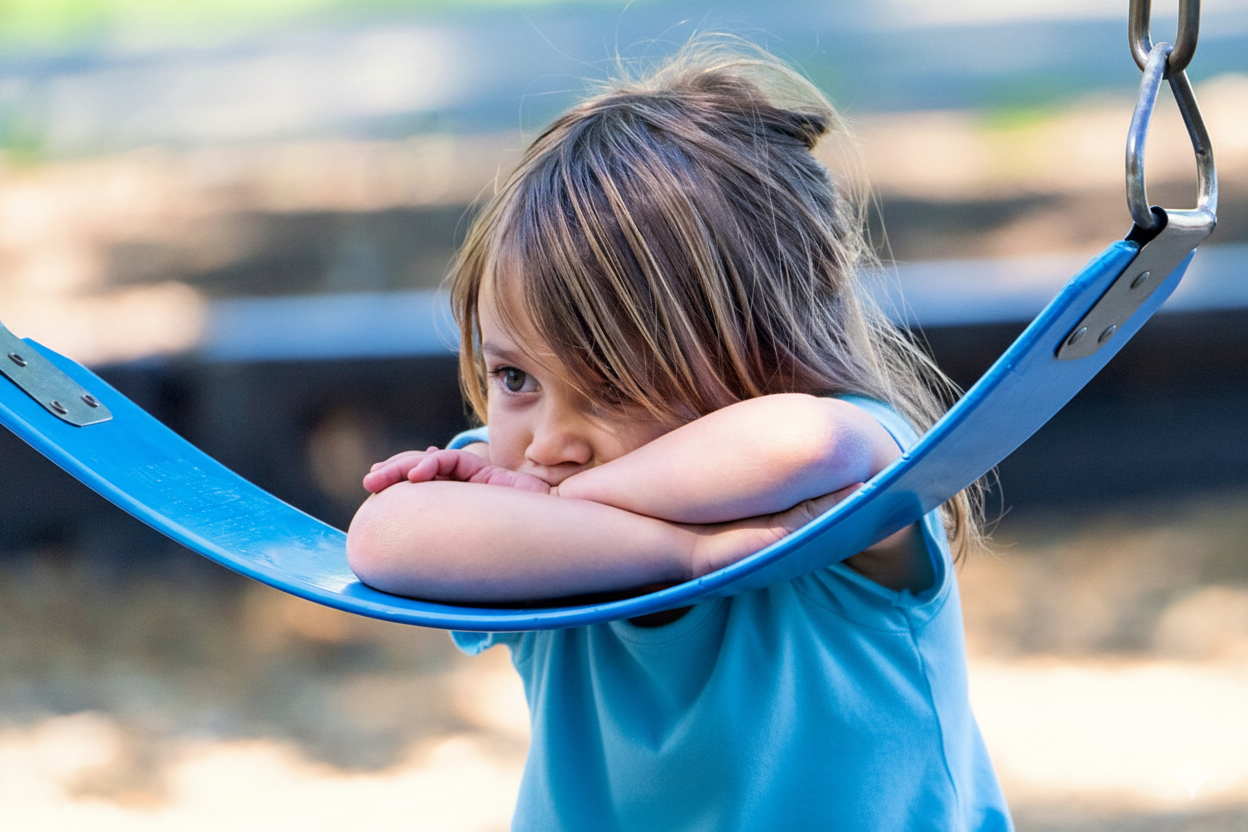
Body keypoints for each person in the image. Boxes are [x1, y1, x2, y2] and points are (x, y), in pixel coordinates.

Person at [347, 41, 1013, 831]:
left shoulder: (852, 488)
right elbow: (384, 537)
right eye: (516, 379)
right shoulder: (519, 491)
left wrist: (574, 507)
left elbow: (805, 445)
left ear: (772, 357)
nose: (549, 442)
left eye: (612, 386)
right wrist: (680, 553)